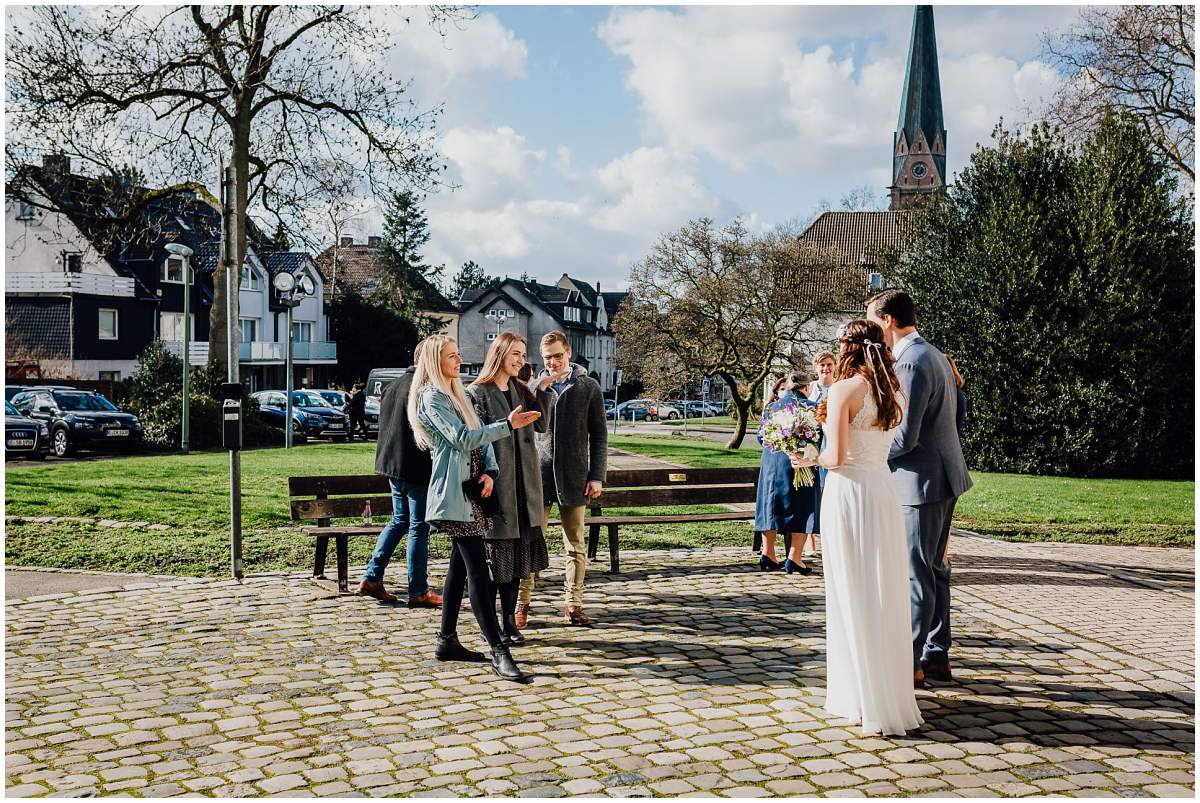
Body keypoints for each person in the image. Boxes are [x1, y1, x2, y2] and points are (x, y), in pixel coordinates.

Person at [791, 318, 922, 736]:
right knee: (882, 589)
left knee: (851, 589)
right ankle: (886, 694)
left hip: (848, 493)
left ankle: (860, 696)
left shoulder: (843, 390)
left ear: (847, 348)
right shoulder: (892, 391)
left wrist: (809, 456)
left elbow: (837, 456)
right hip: (882, 489)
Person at [410, 335, 541, 681]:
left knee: (458, 569)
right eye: (452, 356)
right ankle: (499, 649)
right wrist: (507, 426)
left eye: (457, 354)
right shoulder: (432, 398)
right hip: (452, 498)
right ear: (435, 362)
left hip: (472, 493)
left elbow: (481, 443)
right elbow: (462, 439)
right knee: (478, 572)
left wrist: (491, 474)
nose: (458, 361)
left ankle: (447, 639)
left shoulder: (456, 394)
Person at [866, 289, 972, 687]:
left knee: (917, 574)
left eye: (875, 321)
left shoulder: (910, 362)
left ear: (888, 321)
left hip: (919, 483)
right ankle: (936, 652)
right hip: (943, 477)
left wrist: (866, 454)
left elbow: (904, 437)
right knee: (935, 569)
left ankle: (910, 663)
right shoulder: (935, 354)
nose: (875, 330)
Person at [468, 332, 554, 646]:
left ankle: (509, 622)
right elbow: (474, 440)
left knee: (517, 563)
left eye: (522, 354)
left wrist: (542, 391)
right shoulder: (478, 392)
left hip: (524, 486)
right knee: (496, 562)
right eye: (515, 354)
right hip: (497, 486)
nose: (520, 360)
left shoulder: (521, 389)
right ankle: (491, 624)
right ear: (500, 354)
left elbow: (541, 425)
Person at [517, 331, 607, 628]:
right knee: (531, 541)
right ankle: (522, 603)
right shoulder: (532, 387)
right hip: (538, 477)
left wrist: (597, 476)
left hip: (574, 476)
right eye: (547, 357)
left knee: (575, 544)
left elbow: (599, 436)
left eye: (558, 355)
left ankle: (573, 604)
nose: (553, 362)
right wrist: (538, 389)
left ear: (568, 352)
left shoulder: (588, 387)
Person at [360, 342, 443, 607]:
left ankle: (372, 576)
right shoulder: (424, 389)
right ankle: (418, 589)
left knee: (399, 521)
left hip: (392, 467)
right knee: (419, 527)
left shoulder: (393, 385)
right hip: (416, 467)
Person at [753, 373, 815, 575]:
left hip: (771, 462)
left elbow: (761, 438)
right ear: (806, 388)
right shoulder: (810, 407)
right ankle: (795, 558)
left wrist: (779, 444)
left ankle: (768, 553)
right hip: (799, 462)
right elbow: (819, 436)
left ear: (788, 388)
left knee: (770, 504)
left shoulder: (772, 407)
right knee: (802, 506)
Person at [802, 352, 837, 558]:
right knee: (811, 494)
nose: (826, 368)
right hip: (813, 446)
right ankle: (810, 541)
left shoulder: (840, 387)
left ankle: (829, 539)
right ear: (816, 367)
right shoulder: (811, 390)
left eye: (829, 364)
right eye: (822, 365)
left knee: (829, 494)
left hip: (832, 445)